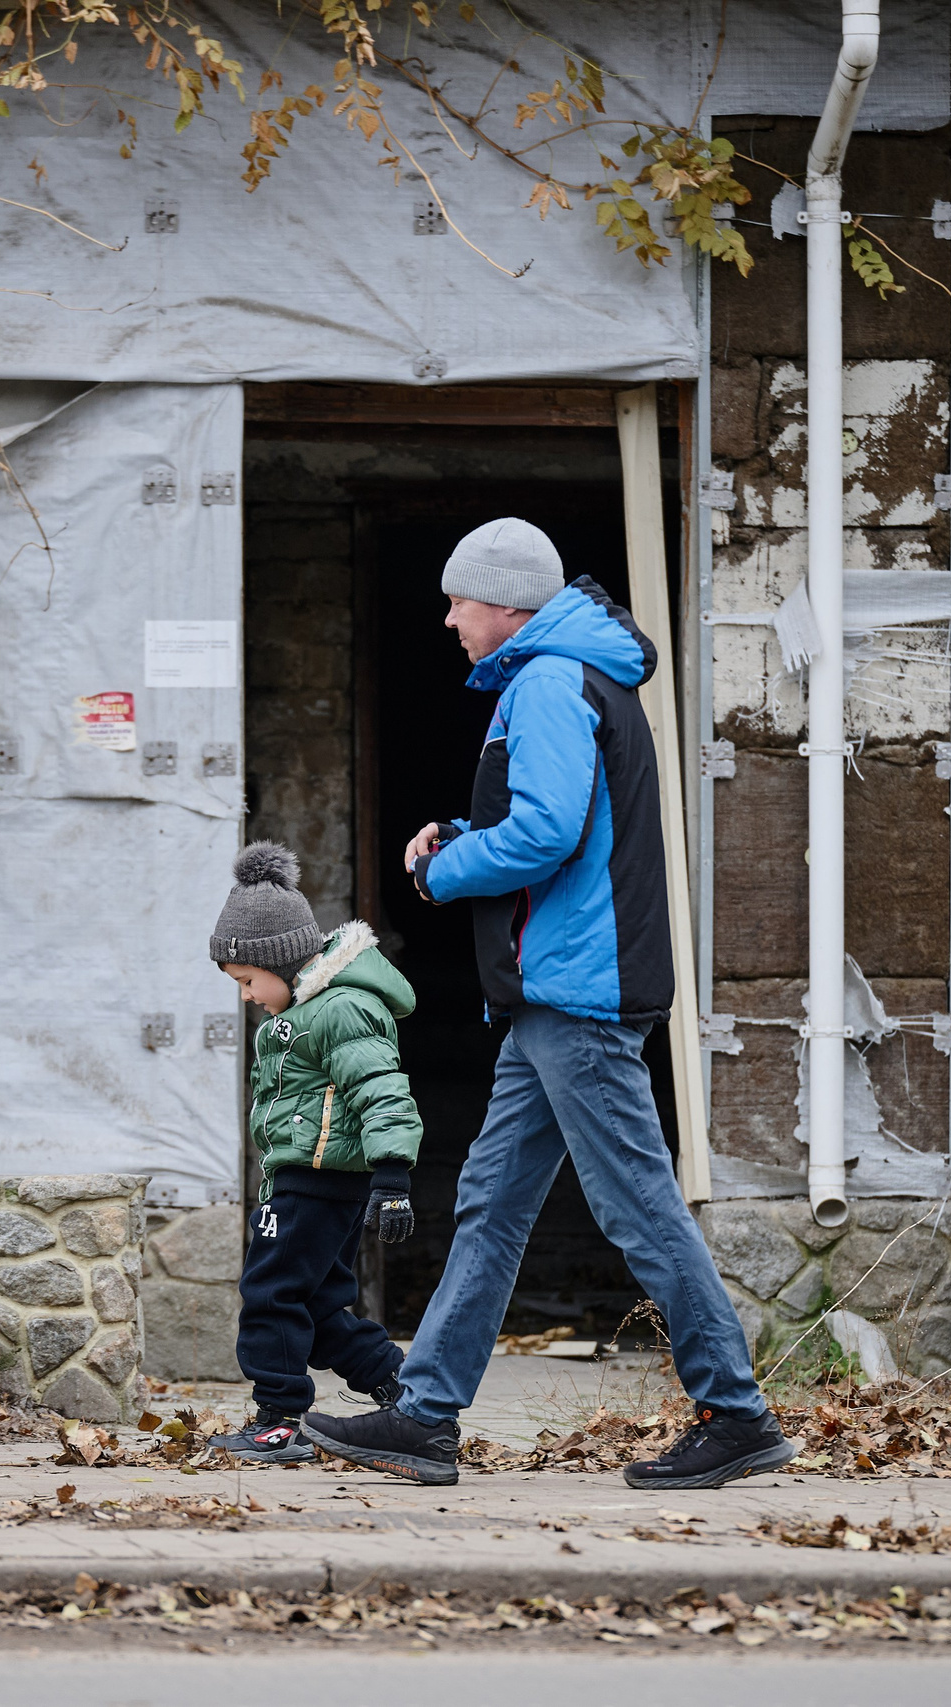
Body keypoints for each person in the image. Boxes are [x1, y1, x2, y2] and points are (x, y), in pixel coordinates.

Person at [300, 517, 792, 1491]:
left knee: (638, 1207)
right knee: (490, 1201)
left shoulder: (550, 683)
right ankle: (426, 1415)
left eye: (458, 601)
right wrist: (457, 830)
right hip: (556, 998)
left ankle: (736, 1414)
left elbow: (545, 834)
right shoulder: (567, 678)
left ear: (507, 603)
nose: (445, 619)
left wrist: (444, 873)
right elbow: (545, 819)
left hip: (579, 996)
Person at [206, 841, 424, 1463]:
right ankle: (403, 1391)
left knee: (270, 1292)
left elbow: (381, 1089)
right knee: (321, 1305)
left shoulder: (341, 1008)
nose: (246, 995)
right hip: (307, 1180)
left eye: (248, 981)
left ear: (280, 960)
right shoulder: (301, 1012)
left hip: (320, 1181)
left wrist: (392, 1177)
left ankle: (277, 1420)